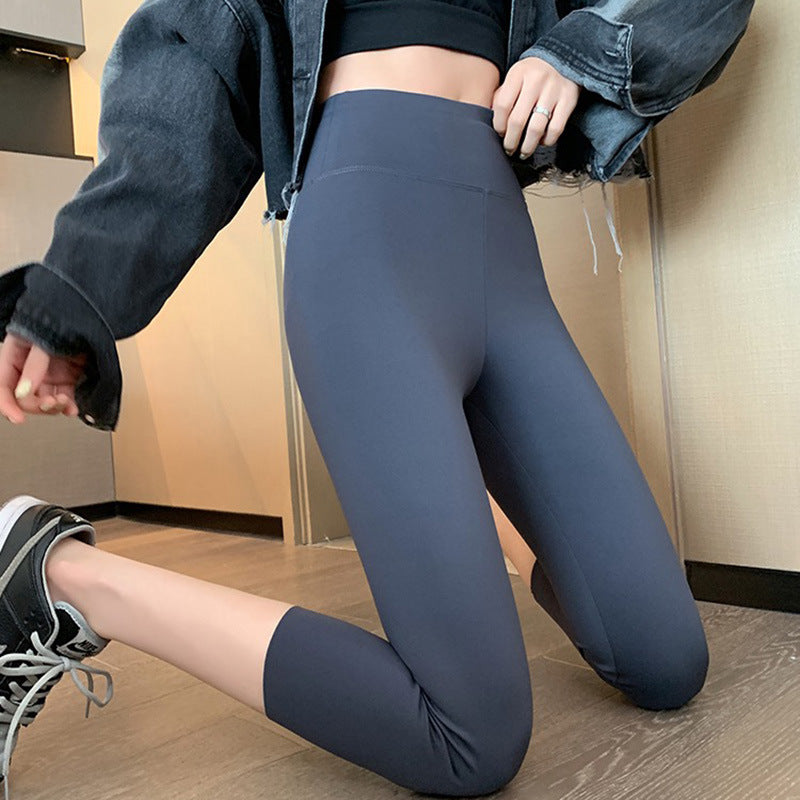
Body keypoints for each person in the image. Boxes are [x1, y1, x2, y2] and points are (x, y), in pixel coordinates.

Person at [0, 0, 715, 796]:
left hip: (503, 251)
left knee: (666, 660)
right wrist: (76, 290)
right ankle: (59, 574)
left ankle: (454, 507)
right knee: (474, 741)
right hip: (363, 243)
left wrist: (576, 53)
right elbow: (190, 67)